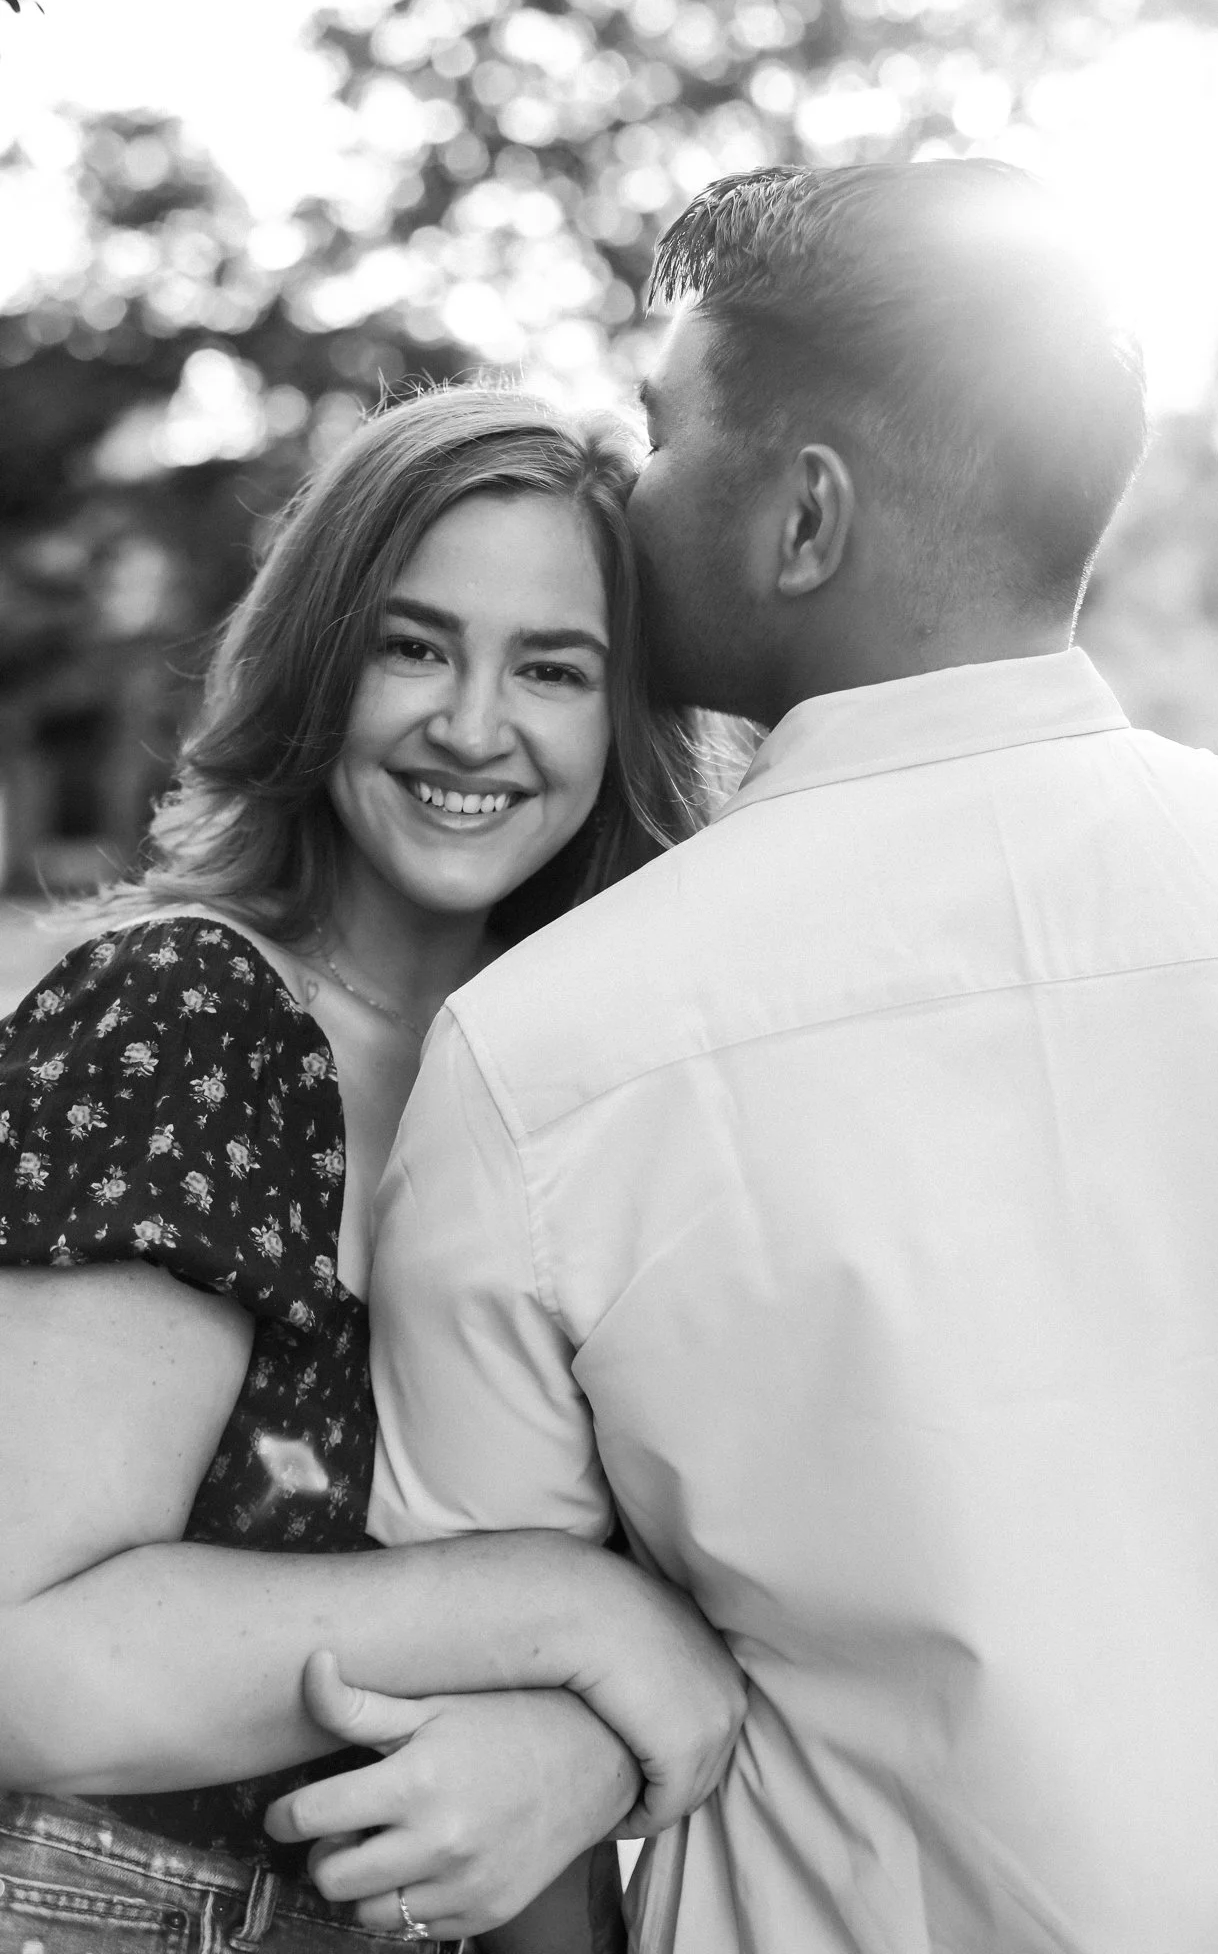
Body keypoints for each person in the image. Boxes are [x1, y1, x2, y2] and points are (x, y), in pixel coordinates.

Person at [298, 160, 1218, 1952]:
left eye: (660, 434)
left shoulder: (546, 1055)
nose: (627, 496)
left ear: (805, 518)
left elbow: (485, 1719)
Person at [0, 386, 747, 1954]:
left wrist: (585, 1744)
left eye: (553, 669)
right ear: (319, 662)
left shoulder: (607, 1088)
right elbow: (28, 1663)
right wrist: (572, 1615)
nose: (471, 727)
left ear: (625, 723)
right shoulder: (189, 1014)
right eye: (413, 645)